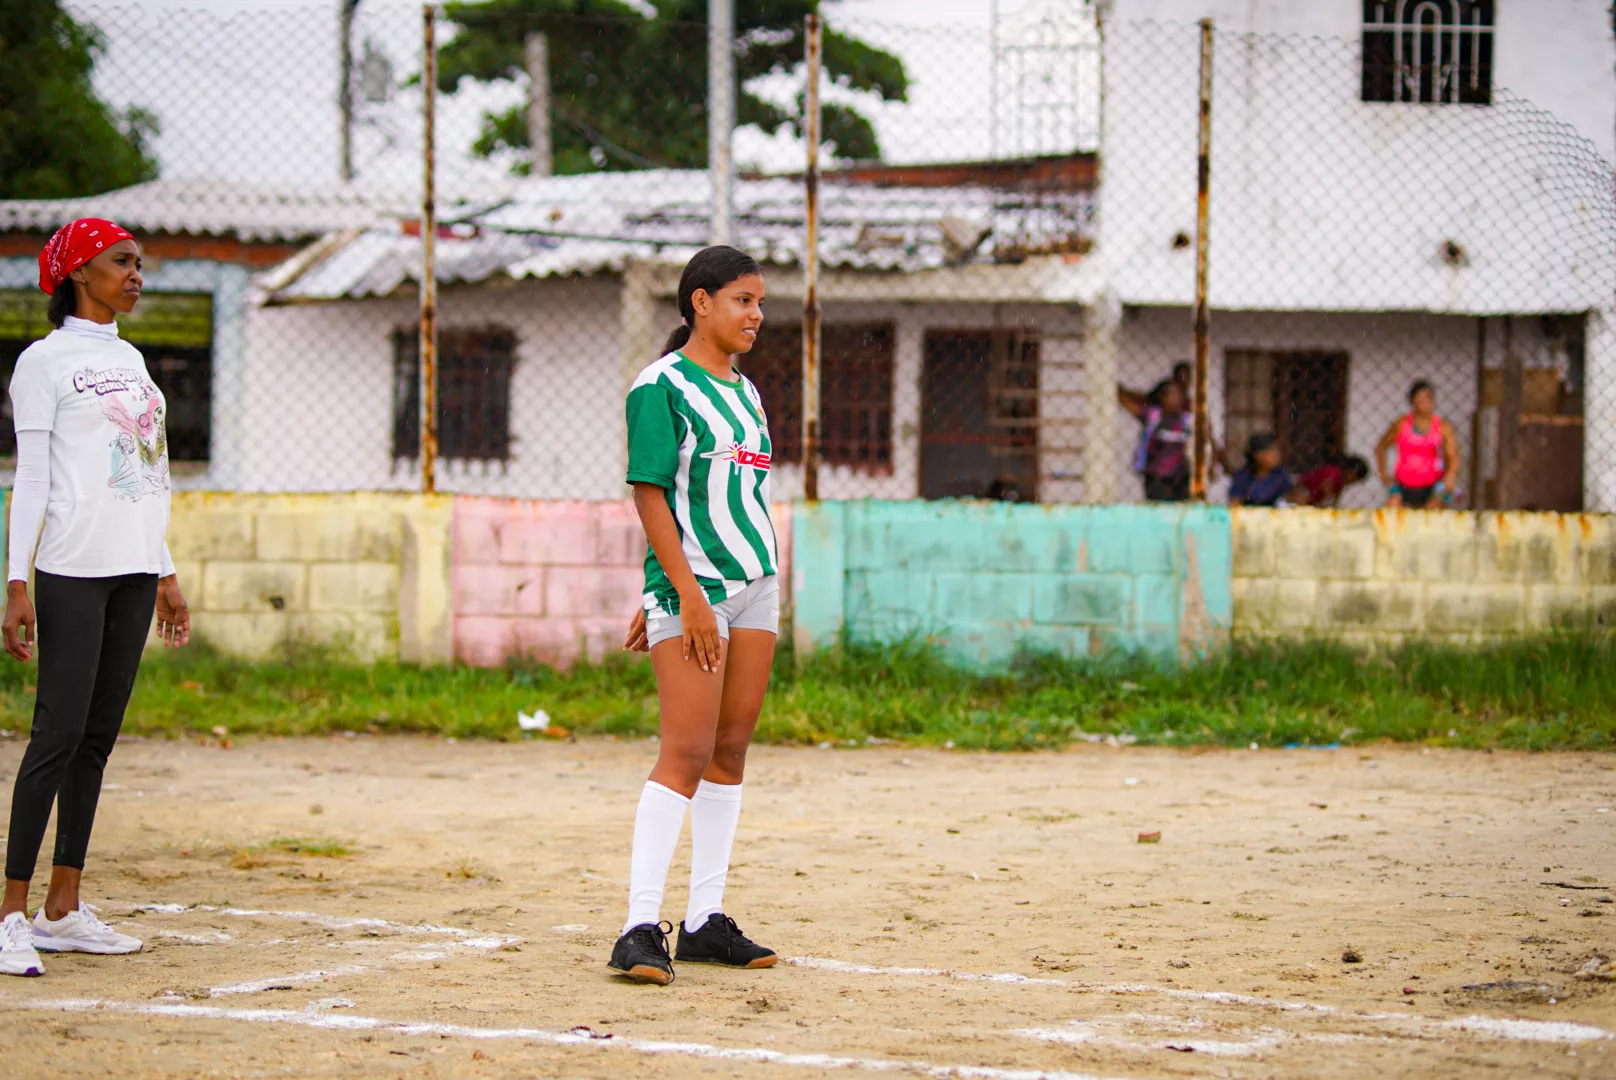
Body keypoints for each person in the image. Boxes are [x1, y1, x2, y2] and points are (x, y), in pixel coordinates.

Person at [0, 219, 190, 979]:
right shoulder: (43, 362)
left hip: (135, 568)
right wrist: (17, 581)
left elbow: (146, 468)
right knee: (57, 734)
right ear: (79, 271)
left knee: (97, 740)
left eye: (139, 263)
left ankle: (63, 909)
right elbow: (32, 477)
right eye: (121, 262)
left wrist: (164, 571)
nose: (136, 275)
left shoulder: (132, 359)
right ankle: (10, 914)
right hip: (73, 568)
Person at [609, 246, 780, 986]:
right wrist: (678, 592)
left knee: (730, 750)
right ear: (700, 302)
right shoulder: (660, 386)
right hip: (698, 589)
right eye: (743, 300)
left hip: (756, 585)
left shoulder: (748, 392)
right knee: (685, 750)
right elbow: (650, 493)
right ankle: (637, 927)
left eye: (760, 302)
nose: (756, 315)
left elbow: (730, 497)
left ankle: (705, 922)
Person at [1375, 380, 1460, 509]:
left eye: (1428, 398)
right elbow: (1381, 447)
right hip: (1402, 484)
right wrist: (1384, 475)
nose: (1424, 403)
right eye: (1420, 399)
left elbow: (1453, 456)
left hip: (1433, 484)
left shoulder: (1443, 427)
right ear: (1412, 401)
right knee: (1393, 507)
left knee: (1435, 507)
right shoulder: (1401, 424)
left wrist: (1451, 476)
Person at [1132, 381, 1194, 501]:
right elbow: (1133, 406)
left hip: (1181, 476)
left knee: (1182, 508)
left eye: (1178, 394)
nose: (1176, 398)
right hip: (1157, 476)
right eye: (1172, 394)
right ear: (1163, 397)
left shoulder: (1187, 419)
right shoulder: (1153, 416)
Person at [1228, 432, 1294, 507]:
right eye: (1271, 451)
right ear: (1258, 455)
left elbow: (1289, 498)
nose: (1276, 455)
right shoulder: (1242, 476)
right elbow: (1235, 502)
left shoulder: (1281, 474)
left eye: (1277, 451)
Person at [1295, 454, 1370, 508]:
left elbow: (1334, 501)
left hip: (1312, 498)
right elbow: (1326, 493)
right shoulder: (1333, 473)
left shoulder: (1341, 483)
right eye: (1352, 478)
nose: (1351, 482)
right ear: (1347, 470)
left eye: (1354, 481)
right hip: (1302, 489)